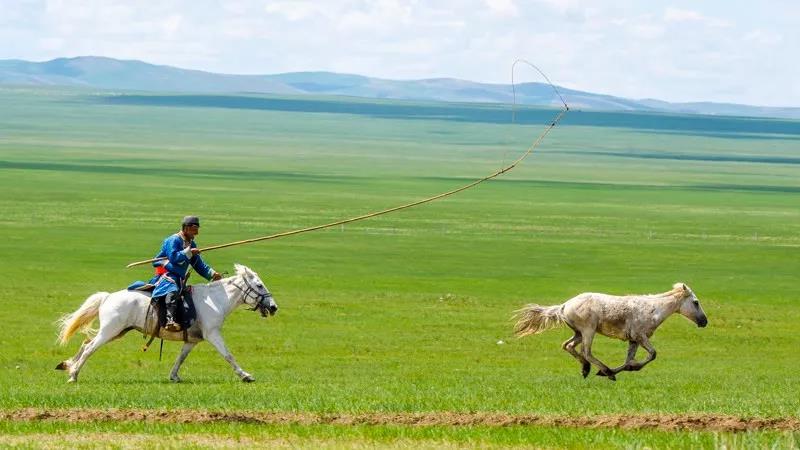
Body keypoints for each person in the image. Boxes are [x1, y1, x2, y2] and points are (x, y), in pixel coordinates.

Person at [151, 215, 222, 331]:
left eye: (197, 229)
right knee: (172, 289)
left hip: (179, 276)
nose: (196, 233)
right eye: (194, 229)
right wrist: (189, 252)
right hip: (166, 273)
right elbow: (173, 257)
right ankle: (170, 320)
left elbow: (198, 264)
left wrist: (212, 274)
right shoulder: (173, 240)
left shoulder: (191, 244)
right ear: (186, 228)